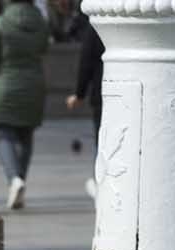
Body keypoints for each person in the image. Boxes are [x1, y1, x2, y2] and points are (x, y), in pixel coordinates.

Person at [0, 0, 49, 210]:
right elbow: (45, 47)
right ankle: (20, 181)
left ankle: (14, 179)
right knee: (26, 135)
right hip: (34, 84)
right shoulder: (40, 22)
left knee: (2, 133)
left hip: (4, 84)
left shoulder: (0, 22)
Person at [66, 11, 103, 199]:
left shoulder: (99, 20)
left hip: (103, 92)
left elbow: (87, 61)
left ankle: (102, 184)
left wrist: (79, 94)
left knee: (103, 141)